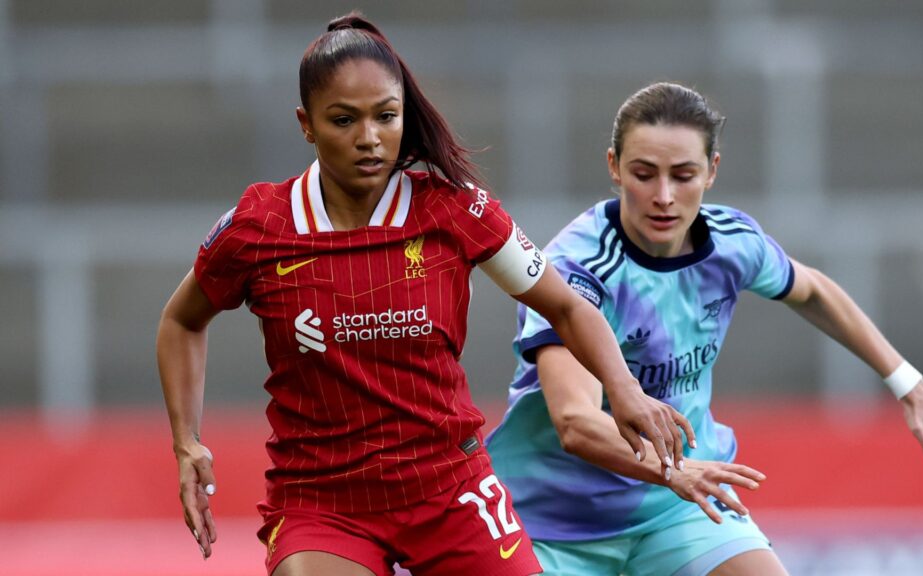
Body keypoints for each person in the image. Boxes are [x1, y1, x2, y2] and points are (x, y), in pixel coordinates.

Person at [155, 15, 695, 576]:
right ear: (306, 125)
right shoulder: (259, 225)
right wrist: (185, 441)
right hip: (322, 500)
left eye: (386, 117)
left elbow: (564, 304)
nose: (369, 138)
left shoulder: (454, 207)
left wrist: (624, 389)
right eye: (344, 120)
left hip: (447, 485)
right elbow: (181, 321)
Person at [485, 81, 923, 576]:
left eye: (683, 175)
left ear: (712, 172)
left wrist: (909, 384)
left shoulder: (732, 243)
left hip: (680, 506)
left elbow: (812, 290)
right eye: (645, 173)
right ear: (614, 167)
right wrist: (675, 470)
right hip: (554, 523)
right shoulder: (577, 268)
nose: (663, 196)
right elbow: (575, 423)